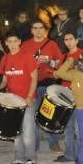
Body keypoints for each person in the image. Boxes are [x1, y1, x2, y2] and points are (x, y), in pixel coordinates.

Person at [21, 21, 63, 152]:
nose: (38, 31)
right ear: (31, 30)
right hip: (31, 85)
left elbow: (60, 64)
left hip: (48, 84)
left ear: (44, 30)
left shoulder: (51, 44)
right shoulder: (25, 45)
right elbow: (20, 63)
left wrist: (49, 61)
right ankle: (34, 145)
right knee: (32, 116)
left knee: (50, 114)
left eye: (41, 28)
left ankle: (53, 143)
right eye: (35, 28)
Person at [0, 32, 39, 164]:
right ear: (6, 43)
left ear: (20, 41)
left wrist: (29, 96)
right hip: (12, 101)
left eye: (15, 41)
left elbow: (34, 78)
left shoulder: (27, 56)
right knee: (15, 131)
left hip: (27, 100)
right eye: (10, 41)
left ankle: (31, 159)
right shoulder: (5, 58)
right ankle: (19, 159)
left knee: (28, 131)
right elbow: (4, 80)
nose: (13, 44)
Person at [53, 32, 83, 163]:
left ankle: (80, 155)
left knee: (79, 128)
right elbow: (59, 75)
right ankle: (69, 154)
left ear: (76, 40)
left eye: (71, 39)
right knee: (68, 127)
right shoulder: (64, 56)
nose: (68, 42)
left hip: (80, 94)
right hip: (66, 95)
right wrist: (55, 73)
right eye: (66, 40)